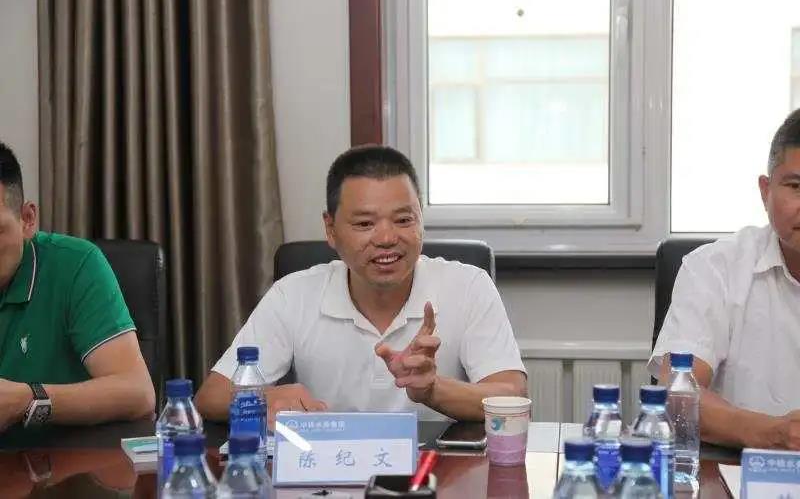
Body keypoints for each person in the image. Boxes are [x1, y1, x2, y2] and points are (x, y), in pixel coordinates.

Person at [196, 145, 527, 421]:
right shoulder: (293, 294)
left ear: (421, 221)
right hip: (330, 468)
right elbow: (211, 397)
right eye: (365, 223)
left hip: (438, 470)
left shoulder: (468, 285)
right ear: (330, 229)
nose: (386, 238)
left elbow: (513, 398)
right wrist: (265, 398)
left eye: (403, 219)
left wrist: (432, 390)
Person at [650, 109, 800, 450]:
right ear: (765, 191)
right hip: (732, 467)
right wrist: (773, 433)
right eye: (796, 186)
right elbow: (677, 394)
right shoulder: (714, 269)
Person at [0, 142, 155, 432]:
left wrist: (26, 399)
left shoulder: (76, 265)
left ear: (27, 219)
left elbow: (138, 393)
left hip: (61, 454)